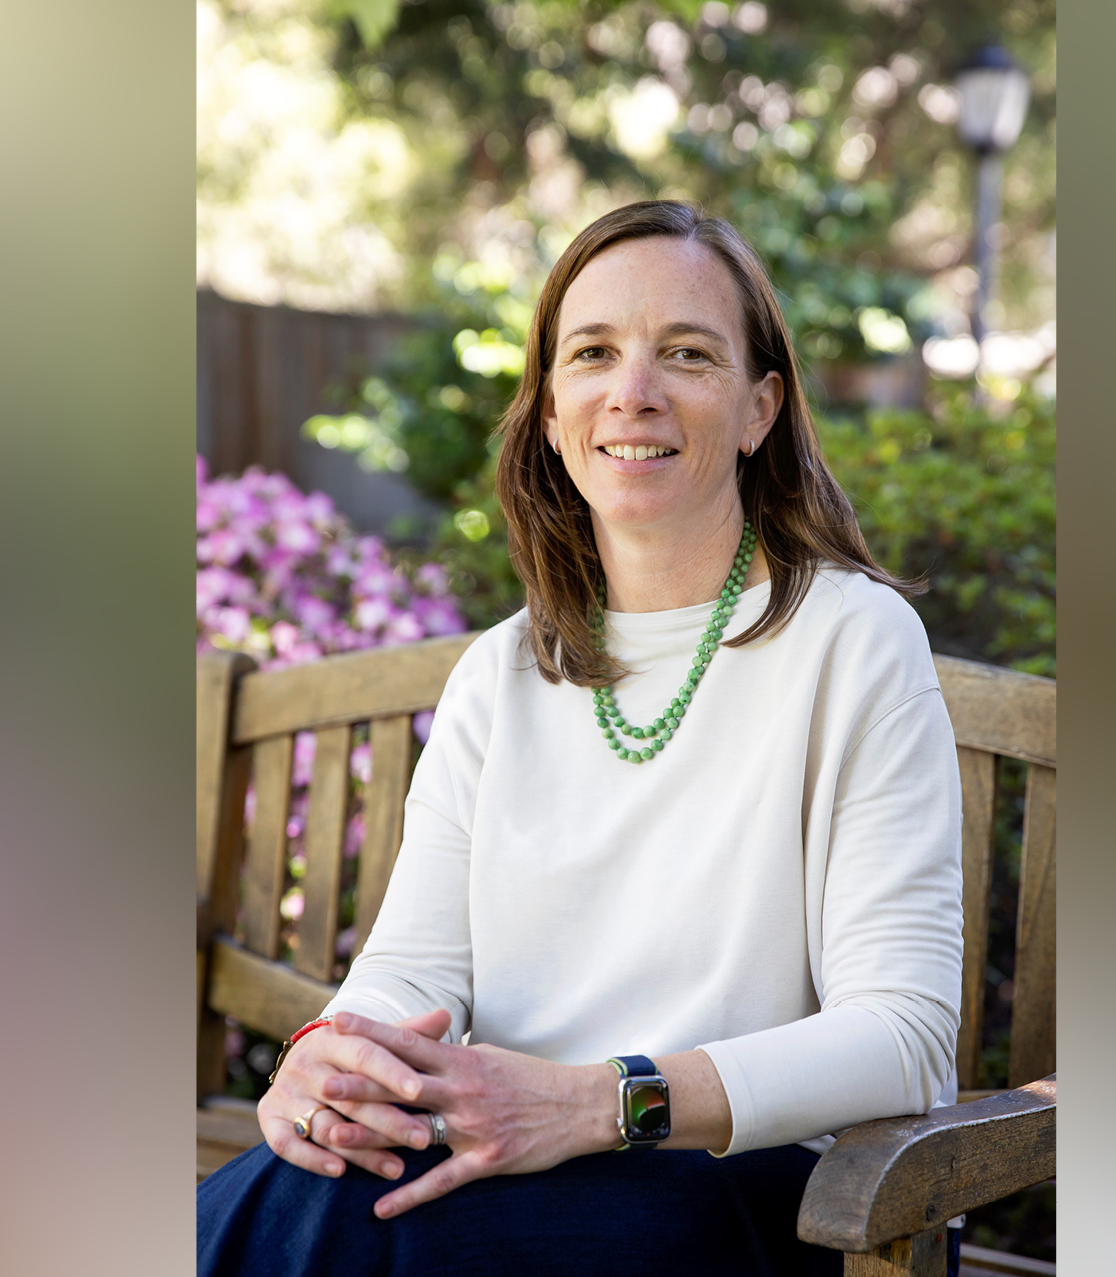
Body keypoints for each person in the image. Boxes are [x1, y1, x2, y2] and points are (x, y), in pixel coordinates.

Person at [198, 200, 964, 1277]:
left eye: (685, 354)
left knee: (339, 1232)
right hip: (506, 1166)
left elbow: (906, 1035)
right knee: (299, 1194)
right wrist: (328, 1059)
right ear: (553, 412)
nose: (632, 391)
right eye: (593, 352)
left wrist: (598, 1100)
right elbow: (412, 966)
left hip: (761, 1192)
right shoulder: (500, 673)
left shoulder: (853, 641)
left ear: (759, 408)